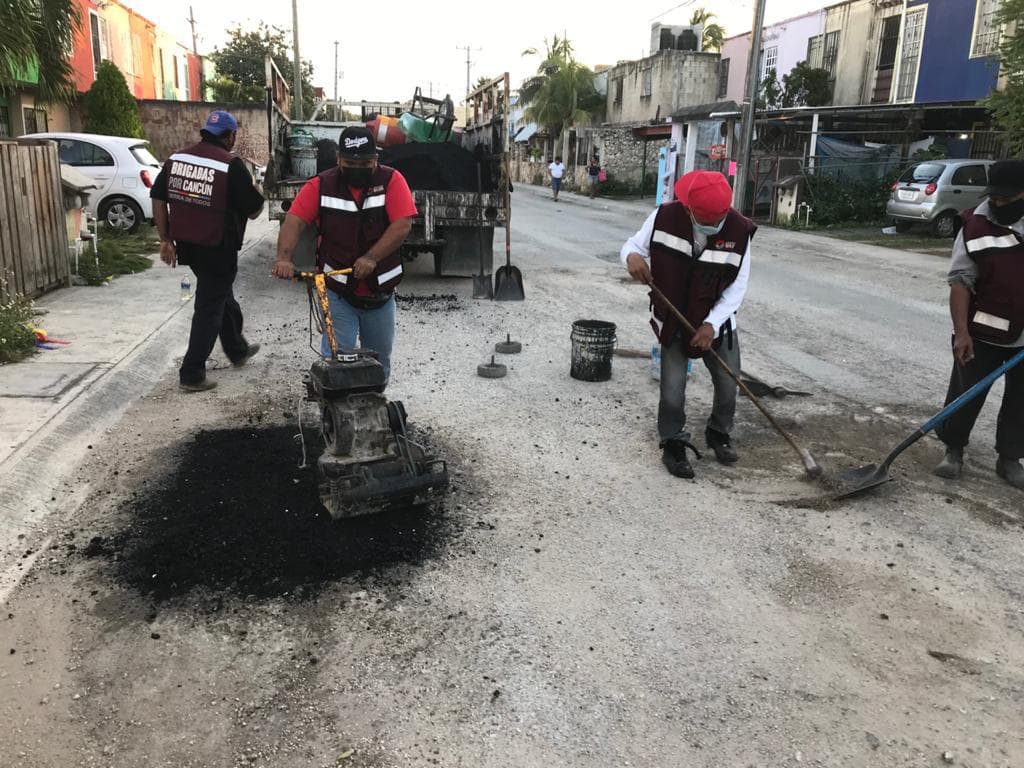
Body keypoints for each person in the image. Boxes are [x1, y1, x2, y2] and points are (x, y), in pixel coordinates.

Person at [621, 170, 755, 479]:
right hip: (674, 320)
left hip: (718, 325)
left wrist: (711, 325)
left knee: (728, 383)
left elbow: (738, 286)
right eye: (705, 220)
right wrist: (631, 258)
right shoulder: (663, 217)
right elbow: (632, 247)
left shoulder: (739, 231)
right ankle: (672, 441)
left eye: (717, 220)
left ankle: (718, 433)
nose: (712, 226)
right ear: (687, 207)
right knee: (672, 389)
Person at [272, 126, 417, 385]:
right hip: (338, 291)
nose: (357, 168)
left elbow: (402, 224)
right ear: (339, 159)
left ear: (376, 159)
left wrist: (372, 257)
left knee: (379, 362)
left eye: (365, 163)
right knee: (337, 362)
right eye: (350, 163)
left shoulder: (392, 181)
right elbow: (294, 221)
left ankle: (375, 407)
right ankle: (334, 416)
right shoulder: (321, 185)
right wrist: (284, 258)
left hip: (380, 295)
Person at [152, 110, 266, 393]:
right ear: (230, 136)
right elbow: (254, 210)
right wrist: (256, 190)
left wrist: (165, 239)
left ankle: (237, 349)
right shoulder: (231, 165)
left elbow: (157, 196)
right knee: (209, 308)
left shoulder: (177, 159)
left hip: (188, 246)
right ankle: (192, 372)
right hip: (218, 247)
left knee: (220, 295)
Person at [934, 158, 1024, 489]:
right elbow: (960, 281)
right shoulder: (974, 225)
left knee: (1021, 400)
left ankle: (1010, 457)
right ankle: (953, 448)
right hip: (984, 331)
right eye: (994, 197)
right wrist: (962, 332)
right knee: (966, 392)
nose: (998, 203)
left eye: (1006, 199)